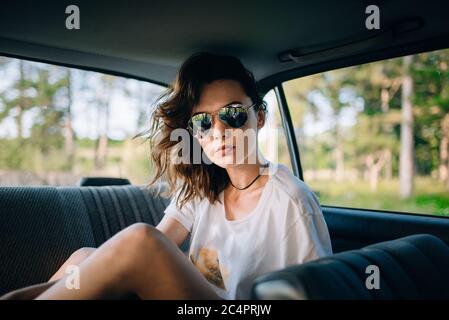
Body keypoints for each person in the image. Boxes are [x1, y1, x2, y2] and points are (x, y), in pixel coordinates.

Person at [1, 52, 332, 300]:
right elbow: (156, 246)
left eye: (232, 115)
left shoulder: (290, 200)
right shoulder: (203, 187)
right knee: (85, 256)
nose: (218, 132)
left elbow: (319, 290)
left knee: (140, 239)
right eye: (203, 121)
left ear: (258, 118)